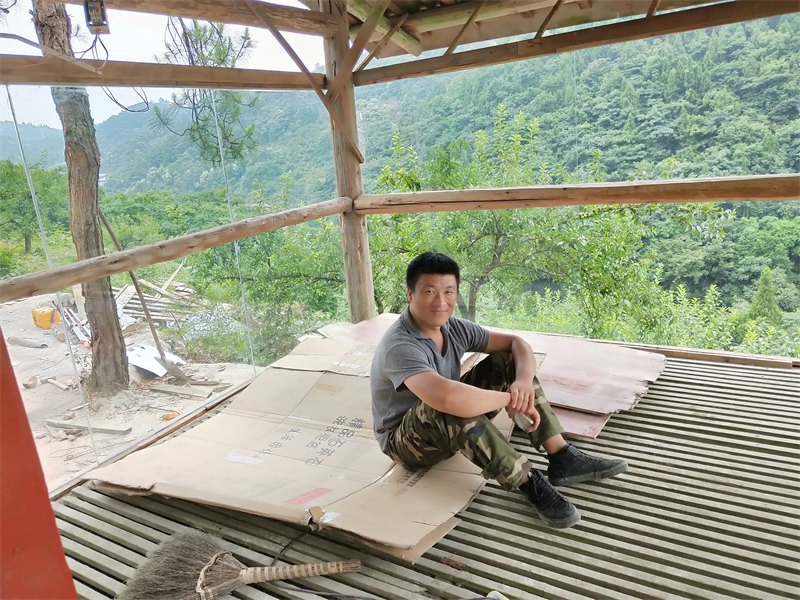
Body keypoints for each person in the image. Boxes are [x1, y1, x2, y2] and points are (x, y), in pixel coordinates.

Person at [370, 251, 627, 528]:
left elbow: (517, 344)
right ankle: (528, 482)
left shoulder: (453, 328)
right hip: (408, 444)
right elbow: (446, 398)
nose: (441, 301)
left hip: (446, 420)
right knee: (449, 405)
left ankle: (562, 456)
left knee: (506, 361)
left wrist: (522, 384)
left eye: (448, 291)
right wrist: (509, 399)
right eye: (430, 291)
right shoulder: (401, 345)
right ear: (410, 295)